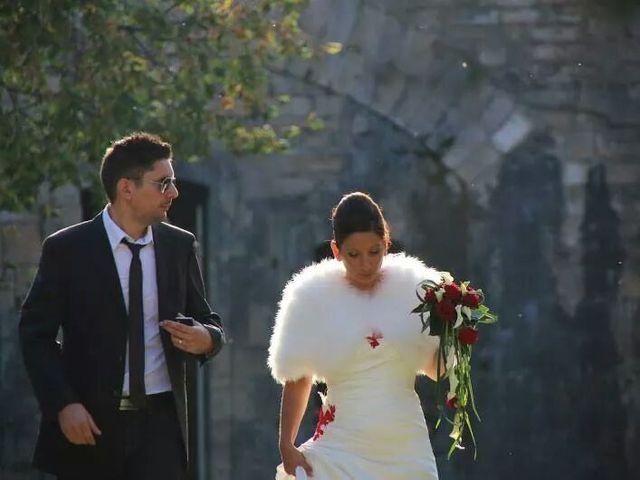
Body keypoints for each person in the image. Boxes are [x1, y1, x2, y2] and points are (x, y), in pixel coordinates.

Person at [19, 132, 225, 480]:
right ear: (126, 188)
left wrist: (205, 338)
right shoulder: (67, 250)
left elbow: (209, 322)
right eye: (164, 183)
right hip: (90, 426)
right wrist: (63, 405)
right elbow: (34, 335)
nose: (174, 193)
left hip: (161, 428)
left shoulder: (179, 245)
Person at [268, 192, 442, 479]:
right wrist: (286, 444)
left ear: (386, 244)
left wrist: (456, 335)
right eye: (354, 254)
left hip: (405, 446)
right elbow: (299, 376)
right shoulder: (313, 297)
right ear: (336, 251)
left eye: (374, 252)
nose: (365, 264)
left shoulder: (416, 290)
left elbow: (437, 369)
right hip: (341, 447)